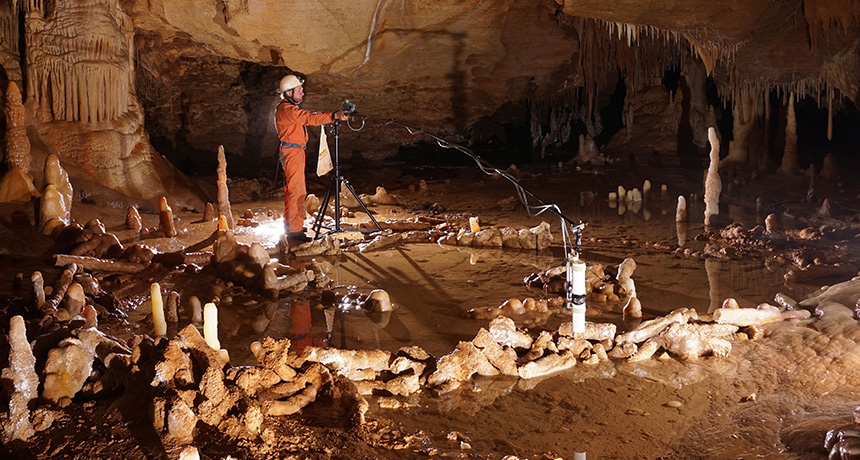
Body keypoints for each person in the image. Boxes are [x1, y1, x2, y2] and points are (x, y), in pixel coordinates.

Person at [275, 74, 349, 244]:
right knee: (297, 191)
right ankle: (294, 231)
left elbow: (308, 117)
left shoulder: (287, 109)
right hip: (292, 152)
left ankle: (291, 224)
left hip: (294, 151)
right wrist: (334, 116)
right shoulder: (287, 109)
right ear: (289, 92)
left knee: (292, 190)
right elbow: (309, 118)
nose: (303, 93)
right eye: (299, 90)